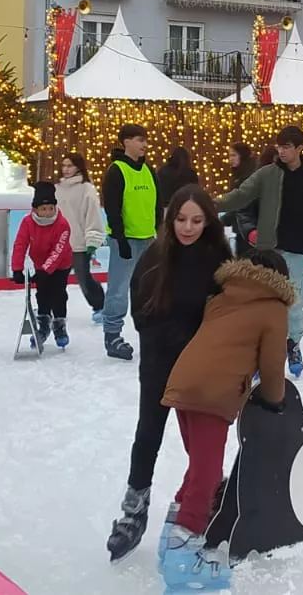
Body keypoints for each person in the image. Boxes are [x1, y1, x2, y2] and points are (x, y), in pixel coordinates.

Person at [106, 183, 232, 562]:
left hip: (202, 367)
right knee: (148, 434)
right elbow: (140, 312)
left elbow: (233, 314)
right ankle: (133, 511)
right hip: (161, 363)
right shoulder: (155, 257)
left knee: (200, 439)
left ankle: (212, 490)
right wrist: (171, 338)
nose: (187, 227)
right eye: (181, 219)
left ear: (208, 222)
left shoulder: (220, 262)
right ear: (170, 218)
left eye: (196, 220)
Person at [158, 249, 294, 590]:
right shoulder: (274, 307)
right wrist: (275, 401)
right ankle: (182, 561)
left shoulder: (221, 297)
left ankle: (168, 543)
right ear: (279, 278)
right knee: (206, 477)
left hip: (182, 384)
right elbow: (274, 364)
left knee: (198, 470)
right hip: (212, 395)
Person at [217, 126, 303, 379]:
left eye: (286, 147)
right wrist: (211, 203)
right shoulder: (266, 174)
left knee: (295, 303)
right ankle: (262, 355)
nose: (281, 151)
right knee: (266, 304)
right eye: (279, 146)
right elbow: (241, 196)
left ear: (300, 149)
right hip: (270, 250)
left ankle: (293, 344)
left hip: (298, 250)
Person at [101, 124, 158, 361]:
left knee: (150, 289)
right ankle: (112, 334)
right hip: (125, 241)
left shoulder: (149, 170)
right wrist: (120, 237)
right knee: (118, 289)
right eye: (138, 139)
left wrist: (160, 232)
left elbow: (158, 204)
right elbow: (112, 208)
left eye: (145, 139)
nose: (144, 144)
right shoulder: (116, 171)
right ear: (125, 142)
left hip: (148, 239)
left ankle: (151, 331)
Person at [11, 181, 74, 349]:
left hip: (61, 265)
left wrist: (46, 270)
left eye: (51, 208)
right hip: (40, 264)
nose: (47, 213)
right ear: (35, 209)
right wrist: (17, 269)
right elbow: (20, 244)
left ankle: (59, 325)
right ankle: (43, 325)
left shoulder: (62, 224)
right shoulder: (27, 222)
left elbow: (58, 251)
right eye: (43, 209)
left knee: (58, 293)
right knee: (43, 294)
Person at [57, 153, 107, 322]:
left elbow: (92, 215)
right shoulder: (58, 189)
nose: (66, 169)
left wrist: (92, 239)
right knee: (55, 280)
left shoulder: (87, 188)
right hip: (59, 244)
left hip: (79, 243)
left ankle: (100, 305)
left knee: (84, 279)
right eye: (64, 166)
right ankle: (51, 311)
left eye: (69, 166)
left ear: (78, 167)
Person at [223, 143, 258, 256]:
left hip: (249, 228)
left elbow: (242, 204)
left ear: (242, 156)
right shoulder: (238, 175)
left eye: (234, 155)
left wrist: (224, 219)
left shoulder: (248, 177)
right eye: (229, 155)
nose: (230, 159)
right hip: (242, 227)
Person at [155, 147, 200, 224]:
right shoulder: (190, 173)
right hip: (186, 208)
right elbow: (195, 192)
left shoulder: (163, 171)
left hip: (166, 209)